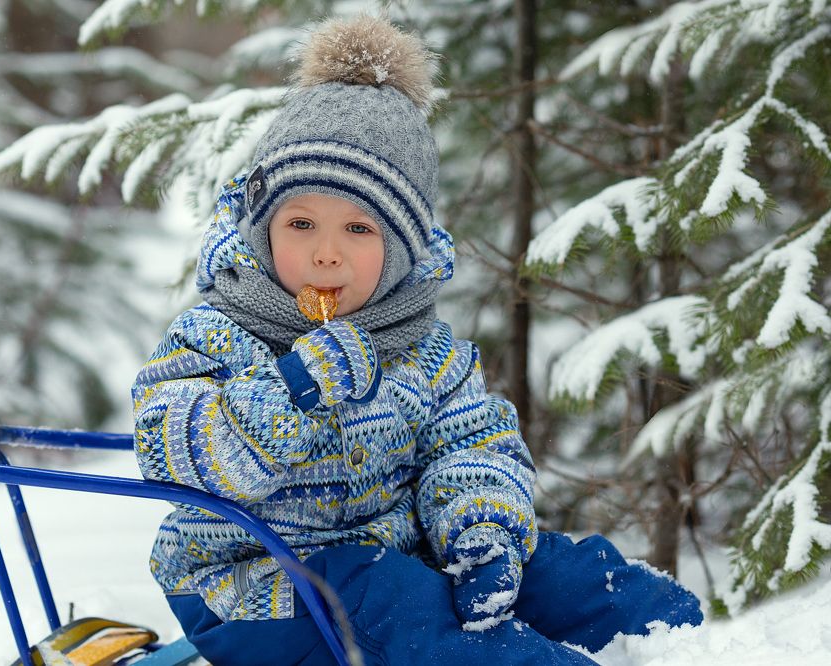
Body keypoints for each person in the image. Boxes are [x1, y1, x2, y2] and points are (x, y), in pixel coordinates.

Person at [131, 14, 702, 665]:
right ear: (263, 229)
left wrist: (480, 531)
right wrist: (290, 390)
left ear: (402, 250)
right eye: (301, 223)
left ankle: (697, 645)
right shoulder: (219, 333)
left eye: (359, 230)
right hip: (251, 590)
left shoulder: (424, 351)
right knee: (399, 603)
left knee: (560, 575)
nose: (325, 255)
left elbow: (471, 443)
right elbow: (171, 448)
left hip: (403, 559)